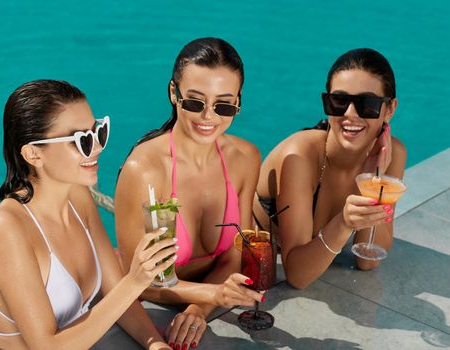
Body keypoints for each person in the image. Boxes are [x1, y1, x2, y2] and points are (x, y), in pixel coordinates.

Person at [0, 80, 176, 350]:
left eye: (97, 132)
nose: (96, 149)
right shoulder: (7, 227)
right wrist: (135, 281)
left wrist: (155, 343)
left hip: (1, 326)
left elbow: (114, 290)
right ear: (33, 154)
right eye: (81, 141)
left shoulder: (78, 196)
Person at [115, 37, 264, 350]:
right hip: (145, 305)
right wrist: (211, 295)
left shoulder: (245, 158)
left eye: (223, 105)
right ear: (173, 93)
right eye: (195, 102)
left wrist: (199, 309)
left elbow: (234, 252)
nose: (208, 117)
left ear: (238, 102)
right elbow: (135, 281)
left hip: (204, 295)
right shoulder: (143, 169)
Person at [253, 48, 407, 289]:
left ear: (390, 109)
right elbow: (298, 275)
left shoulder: (393, 154)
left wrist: (373, 183)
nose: (350, 114)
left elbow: (367, 259)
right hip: (249, 253)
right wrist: (344, 223)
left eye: (367, 104)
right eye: (339, 101)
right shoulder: (301, 155)